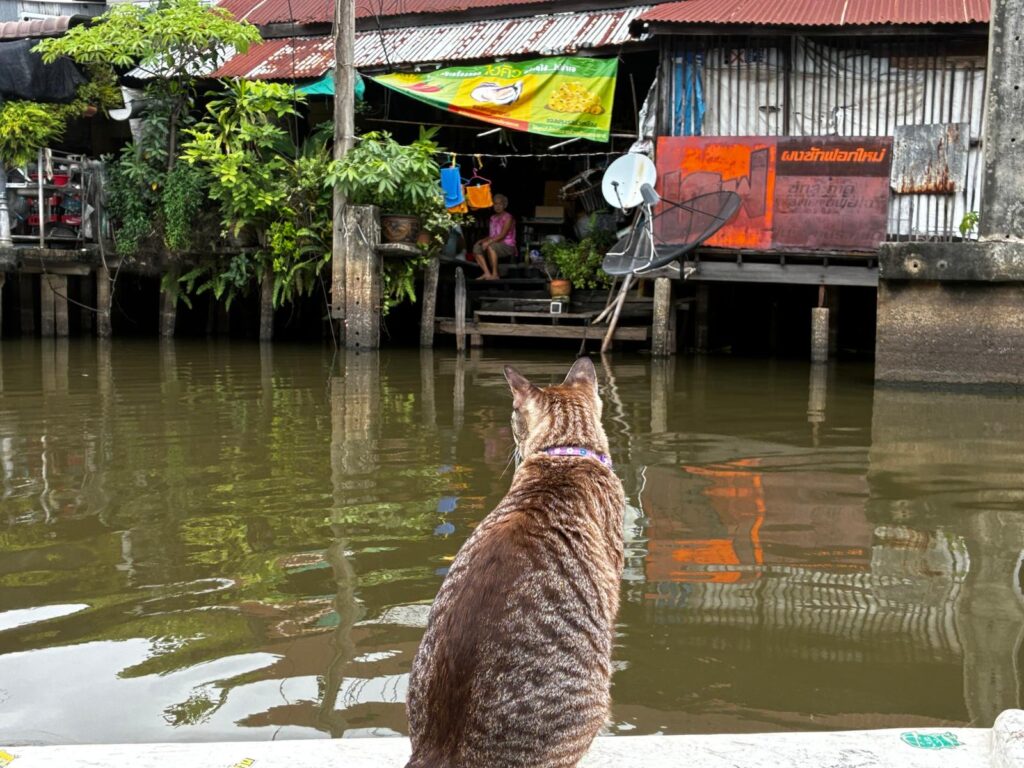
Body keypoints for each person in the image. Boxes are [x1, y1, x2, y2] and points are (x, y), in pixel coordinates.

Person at [472, 193, 516, 280]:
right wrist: (482, 240)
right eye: (495, 204)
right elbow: (492, 235)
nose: (498, 206)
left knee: (491, 246)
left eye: (500, 204)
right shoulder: (493, 218)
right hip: (495, 243)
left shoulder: (508, 217)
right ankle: (487, 273)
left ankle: (495, 274)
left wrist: (489, 242)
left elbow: (502, 235)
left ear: (504, 205)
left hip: (507, 246)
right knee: (476, 247)